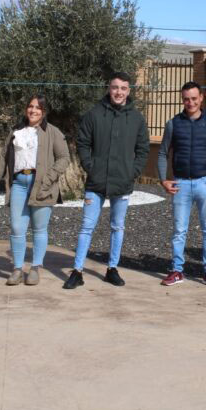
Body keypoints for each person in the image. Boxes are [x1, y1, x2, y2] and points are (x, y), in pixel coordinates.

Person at [63, 72, 149, 289]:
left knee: (117, 226)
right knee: (86, 227)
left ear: (129, 91)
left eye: (123, 88)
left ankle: (112, 269)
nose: (119, 92)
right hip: (96, 182)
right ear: (108, 88)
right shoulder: (94, 114)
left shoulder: (137, 119)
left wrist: (133, 171)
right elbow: (82, 143)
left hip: (123, 182)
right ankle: (77, 271)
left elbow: (143, 149)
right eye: (115, 87)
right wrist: (91, 168)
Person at [0, 94, 69, 286]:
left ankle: (36, 268)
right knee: (16, 228)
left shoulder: (53, 132)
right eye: (30, 106)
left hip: (43, 187)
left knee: (39, 229)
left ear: (44, 112)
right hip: (19, 185)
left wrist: (49, 178)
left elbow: (64, 158)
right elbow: (3, 157)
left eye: (38, 108)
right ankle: (17, 269)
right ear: (26, 109)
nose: (33, 110)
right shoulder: (16, 131)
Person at [157, 81, 206, 288]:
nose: (190, 102)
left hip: (205, 182)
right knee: (179, 230)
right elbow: (162, 153)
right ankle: (177, 270)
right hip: (181, 184)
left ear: (201, 98)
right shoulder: (173, 123)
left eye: (194, 98)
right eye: (186, 99)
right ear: (182, 99)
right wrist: (163, 179)